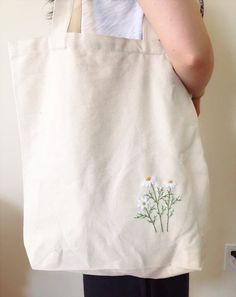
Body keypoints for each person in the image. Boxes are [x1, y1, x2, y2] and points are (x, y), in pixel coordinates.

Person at [45, 1, 214, 296]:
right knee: (147, 259)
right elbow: (192, 57)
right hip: (143, 167)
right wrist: (196, 93)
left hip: (99, 185)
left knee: (109, 265)